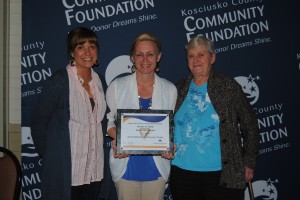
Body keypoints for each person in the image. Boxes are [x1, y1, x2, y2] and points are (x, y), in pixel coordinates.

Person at [169, 35, 259, 200]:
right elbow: (168, 126)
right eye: (191, 55)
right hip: (182, 175)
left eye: (201, 54)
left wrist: (248, 162)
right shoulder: (178, 89)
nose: (196, 60)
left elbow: (250, 124)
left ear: (213, 57)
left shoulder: (228, 86)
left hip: (222, 175)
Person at [31, 27, 107, 200]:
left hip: (94, 170)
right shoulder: (59, 81)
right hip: (68, 172)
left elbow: (104, 121)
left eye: (92, 46)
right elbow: (38, 123)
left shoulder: (100, 81)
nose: (87, 52)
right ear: (72, 52)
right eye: (80, 47)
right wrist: (52, 157)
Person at [106, 33, 177, 200]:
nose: (145, 59)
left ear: (158, 56)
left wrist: (171, 146)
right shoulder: (117, 87)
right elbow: (109, 122)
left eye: (150, 54)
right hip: (126, 168)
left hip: (157, 169)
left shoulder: (170, 89)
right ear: (132, 57)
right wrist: (120, 141)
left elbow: (170, 128)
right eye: (139, 54)